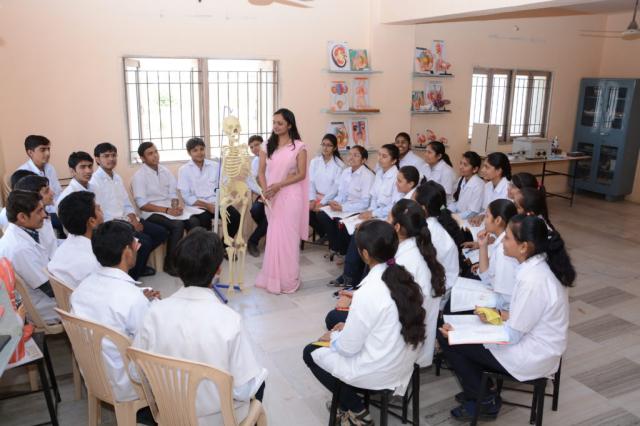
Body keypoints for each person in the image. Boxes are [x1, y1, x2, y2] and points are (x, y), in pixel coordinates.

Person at [438, 215, 575, 421]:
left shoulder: (533, 280)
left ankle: (484, 399)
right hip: (531, 338)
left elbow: (512, 336)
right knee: (460, 330)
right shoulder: (538, 266)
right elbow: (528, 316)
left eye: (508, 238)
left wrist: (463, 333)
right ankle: (481, 388)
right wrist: (496, 316)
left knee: (451, 340)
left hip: (532, 353)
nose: (502, 241)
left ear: (524, 247)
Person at [133, 228, 268, 422]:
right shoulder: (229, 320)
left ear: (178, 269)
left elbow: (136, 373)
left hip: (170, 415)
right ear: (218, 270)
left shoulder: (153, 313)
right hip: (217, 420)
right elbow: (243, 390)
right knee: (258, 381)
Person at [303, 220, 425, 425]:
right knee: (336, 332)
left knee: (311, 351)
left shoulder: (369, 291)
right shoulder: (405, 278)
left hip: (378, 370)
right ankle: (347, 402)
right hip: (402, 364)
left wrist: (333, 337)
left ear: (365, 254)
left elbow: (348, 349)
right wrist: (346, 329)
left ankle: (356, 409)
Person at [71, 220, 160, 408]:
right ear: (127, 252)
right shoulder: (132, 299)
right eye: (135, 244)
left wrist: (142, 299)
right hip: (128, 385)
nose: (137, 248)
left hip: (95, 376)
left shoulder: (81, 289)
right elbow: (150, 346)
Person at [91, 142, 166, 279]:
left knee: (161, 232)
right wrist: (128, 225)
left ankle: (138, 266)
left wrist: (133, 220)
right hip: (111, 226)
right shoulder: (94, 182)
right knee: (144, 242)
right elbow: (102, 214)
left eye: (113, 155)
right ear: (97, 159)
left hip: (126, 219)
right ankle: (131, 277)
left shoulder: (117, 177)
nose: (111, 159)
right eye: (106, 156)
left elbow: (126, 203)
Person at [255, 108, 309, 294]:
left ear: (289, 125)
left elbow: (301, 174)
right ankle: (273, 278)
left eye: (280, 123)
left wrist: (279, 185)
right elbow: (261, 172)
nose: (276, 126)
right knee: (274, 238)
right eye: (274, 123)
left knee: (289, 239)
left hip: (291, 196)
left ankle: (289, 280)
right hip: (272, 196)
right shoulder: (266, 146)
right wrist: (265, 191)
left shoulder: (299, 147)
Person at [132, 142, 197, 275]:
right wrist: (167, 210)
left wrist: (175, 207)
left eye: (156, 152)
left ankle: (192, 259)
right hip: (151, 212)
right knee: (177, 225)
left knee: (193, 221)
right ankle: (170, 264)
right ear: (142, 158)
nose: (155, 155)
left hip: (168, 210)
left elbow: (173, 194)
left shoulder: (165, 171)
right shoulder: (139, 176)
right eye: (150, 154)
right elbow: (142, 204)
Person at [0, 190, 57, 323]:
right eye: (39, 211)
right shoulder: (20, 249)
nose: (44, 215)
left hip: (40, 299)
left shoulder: (19, 234)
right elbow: (50, 290)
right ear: (22, 217)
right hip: (44, 308)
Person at [315, 146, 374, 259]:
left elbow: (365, 203)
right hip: (343, 206)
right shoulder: (346, 172)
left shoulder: (368, 176)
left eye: (356, 155)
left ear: (363, 160)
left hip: (357, 210)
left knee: (340, 222)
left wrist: (343, 208)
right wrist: (334, 202)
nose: (351, 157)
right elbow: (341, 194)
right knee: (322, 215)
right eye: (350, 154)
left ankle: (343, 252)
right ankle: (335, 247)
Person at [177, 137, 240, 235]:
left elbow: (225, 185)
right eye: (195, 150)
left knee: (235, 216)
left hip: (216, 203)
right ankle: (209, 245)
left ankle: (223, 244)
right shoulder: (184, 170)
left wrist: (223, 200)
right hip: (197, 206)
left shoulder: (215, 166)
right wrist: (207, 206)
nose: (199, 153)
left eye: (201, 149)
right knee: (204, 221)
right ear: (189, 153)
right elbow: (186, 197)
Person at [48, 191, 103, 288]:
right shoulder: (94, 262)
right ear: (92, 221)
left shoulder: (63, 248)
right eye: (98, 209)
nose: (102, 211)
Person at [413, 181, 461, 291]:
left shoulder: (426, 231)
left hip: (435, 289)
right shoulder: (436, 223)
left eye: (413, 202)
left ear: (423, 208)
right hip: (439, 285)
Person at [475, 199, 519, 310]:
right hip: (498, 297)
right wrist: (483, 246)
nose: (484, 221)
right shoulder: (501, 241)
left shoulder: (504, 250)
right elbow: (486, 276)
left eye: (487, 216)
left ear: (498, 220)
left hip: (504, 306)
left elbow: (506, 301)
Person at [18, 135, 64, 235]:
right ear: (30, 152)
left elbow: (58, 193)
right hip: (39, 214)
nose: (47, 153)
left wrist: (62, 208)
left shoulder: (50, 168)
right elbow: (29, 205)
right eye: (42, 150)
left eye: (48, 149)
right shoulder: (24, 173)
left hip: (55, 209)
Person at [6, 175, 58, 260]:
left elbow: (52, 247)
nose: (52, 193)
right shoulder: (22, 248)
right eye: (46, 191)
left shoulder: (36, 220)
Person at [308, 133, 345, 243]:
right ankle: (324, 233)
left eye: (329, 145)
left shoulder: (340, 165)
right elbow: (311, 182)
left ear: (334, 148)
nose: (325, 147)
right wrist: (312, 200)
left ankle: (328, 235)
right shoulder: (315, 162)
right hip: (316, 196)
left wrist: (322, 202)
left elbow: (335, 188)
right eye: (323, 144)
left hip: (331, 198)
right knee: (304, 211)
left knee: (321, 214)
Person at [468, 152, 512, 226]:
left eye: (487, 167)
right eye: (483, 166)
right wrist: (482, 215)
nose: (482, 170)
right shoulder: (488, 186)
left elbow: (506, 219)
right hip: (487, 225)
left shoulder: (509, 190)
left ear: (498, 171)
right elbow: (486, 209)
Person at [247, 135, 267, 257]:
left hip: (279, 194)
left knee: (270, 217)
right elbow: (250, 181)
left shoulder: (273, 157)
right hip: (264, 194)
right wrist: (262, 192)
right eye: (251, 147)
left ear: (263, 144)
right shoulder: (255, 161)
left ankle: (252, 241)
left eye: (256, 145)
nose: (254, 148)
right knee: (255, 210)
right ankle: (268, 230)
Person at [449, 151, 484, 219]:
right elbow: (457, 201)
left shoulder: (479, 185)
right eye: (461, 163)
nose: (461, 167)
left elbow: (472, 212)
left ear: (475, 169)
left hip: (468, 220)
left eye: (465, 165)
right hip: (458, 215)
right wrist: (448, 210)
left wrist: (454, 217)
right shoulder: (461, 179)